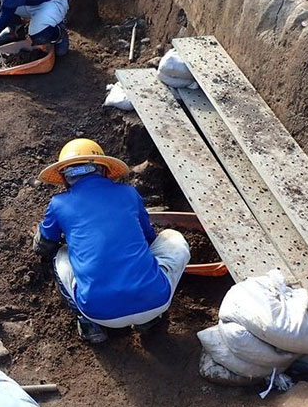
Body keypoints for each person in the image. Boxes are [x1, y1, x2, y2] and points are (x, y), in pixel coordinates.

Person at [33, 138, 191, 343]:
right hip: (154, 301)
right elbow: (149, 237)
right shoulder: (128, 193)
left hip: (99, 312)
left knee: (61, 255)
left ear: (64, 177)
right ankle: (149, 321)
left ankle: (89, 326)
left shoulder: (58, 204)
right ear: (104, 169)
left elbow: (44, 245)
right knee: (173, 239)